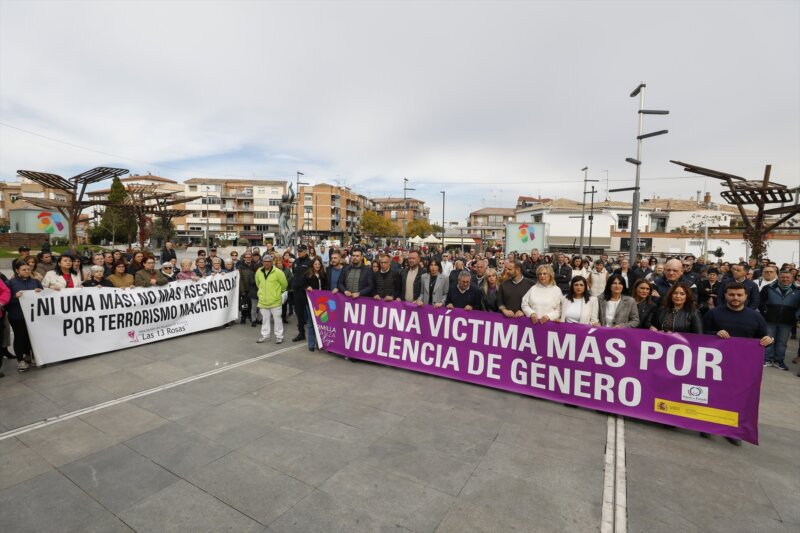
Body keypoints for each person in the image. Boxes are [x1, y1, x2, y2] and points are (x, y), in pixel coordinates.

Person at [703, 282, 774, 445]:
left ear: (746, 297)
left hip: (742, 368)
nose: (735, 298)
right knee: (713, 395)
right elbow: (700, 334)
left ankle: (731, 431)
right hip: (715, 366)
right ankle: (707, 425)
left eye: (739, 295)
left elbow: (763, 338)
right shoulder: (713, 314)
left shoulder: (755, 316)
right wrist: (714, 333)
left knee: (737, 399)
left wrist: (769, 340)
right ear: (725, 295)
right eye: (732, 294)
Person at [760, 270, 800, 370]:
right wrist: (764, 312)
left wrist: (796, 316)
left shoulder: (798, 290)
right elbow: (760, 302)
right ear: (778, 277)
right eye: (783, 277)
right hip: (769, 319)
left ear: (792, 278)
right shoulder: (768, 288)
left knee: (782, 342)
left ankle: (779, 361)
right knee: (768, 340)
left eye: (788, 277)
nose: (785, 279)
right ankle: (767, 359)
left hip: (787, 321)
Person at [5, 262, 41, 372]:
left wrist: (40, 292)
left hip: (33, 315)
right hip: (17, 315)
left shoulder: (35, 281)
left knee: (33, 336)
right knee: (20, 337)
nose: (26, 271)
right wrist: (15, 297)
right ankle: (20, 360)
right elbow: (5, 300)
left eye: (28, 269)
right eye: (24, 269)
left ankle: (33, 356)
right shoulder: (10, 283)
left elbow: (44, 296)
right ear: (17, 270)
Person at [255, 254, 288, 344]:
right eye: (265, 261)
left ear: (272, 262)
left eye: (269, 261)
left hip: (275, 301)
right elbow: (258, 283)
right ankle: (265, 336)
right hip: (263, 301)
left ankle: (279, 336)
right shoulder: (259, 271)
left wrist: (276, 294)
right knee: (265, 319)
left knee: (277, 319)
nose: (267, 263)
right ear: (262, 262)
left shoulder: (278, 272)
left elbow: (284, 285)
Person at [303, 257, 327, 351]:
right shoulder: (307, 274)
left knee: (321, 323)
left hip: (321, 302)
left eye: (318, 264)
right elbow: (303, 285)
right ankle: (311, 344)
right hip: (310, 302)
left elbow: (325, 286)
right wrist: (307, 287)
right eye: (315, 264)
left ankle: (320, 343)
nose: (317, 266)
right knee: (311, 323)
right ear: (312, 265)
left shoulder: (323, 274)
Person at [291, 245, 312, 342]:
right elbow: (294, 273)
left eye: (300, 251)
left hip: (306, 292)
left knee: (310, 313)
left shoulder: (309, 262)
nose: (298, 252)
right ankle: (301, 333)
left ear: (305, 251)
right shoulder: (296, 261)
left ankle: (314, 333)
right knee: (299, 313)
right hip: (297, 291)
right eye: (298, 251)